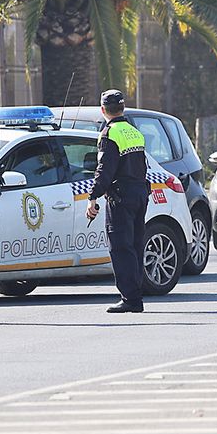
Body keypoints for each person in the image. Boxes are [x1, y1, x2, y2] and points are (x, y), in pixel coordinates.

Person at [84, 89, 149, 314]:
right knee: (135, 246)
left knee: (120, 247)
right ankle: (135, 295)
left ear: (103, 110)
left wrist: (92, 197)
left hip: (121, 197)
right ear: (122, 108)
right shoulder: (134, 132)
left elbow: (105, 170)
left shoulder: (109, 134)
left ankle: (130, 298)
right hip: (139, 193)